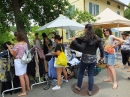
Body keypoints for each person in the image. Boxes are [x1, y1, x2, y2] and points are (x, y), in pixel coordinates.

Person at [71, 24, 104, 96]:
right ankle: (90, 90)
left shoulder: (86, 38)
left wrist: (74, 41)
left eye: (84, 28)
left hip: (85, 58)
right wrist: (102, 56)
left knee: (81, 73)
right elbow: (101, 48)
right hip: (93, 59)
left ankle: (78, 86)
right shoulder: (97, 38)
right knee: (91, 75)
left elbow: (81, 48)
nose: (83, 30)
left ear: (86, 29)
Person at [6, 32, 30, 96]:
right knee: (25, 74)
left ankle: (24, 92)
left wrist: (10, 48)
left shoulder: (16, 45)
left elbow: (14, 54)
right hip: (24, 60)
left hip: (19, 61)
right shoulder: (25, 43)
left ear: (17, 37)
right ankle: (28, 87)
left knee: (21, 77)